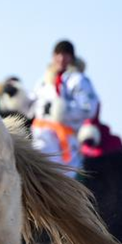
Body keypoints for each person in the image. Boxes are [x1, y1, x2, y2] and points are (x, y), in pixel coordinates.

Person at [30, 40, 99, 172]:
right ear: (53, 56)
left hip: (65, 141)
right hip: (40, 135)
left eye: (65, 55)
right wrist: (16, 96)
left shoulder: (78, 80)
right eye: (58, 54)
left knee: (61, 176)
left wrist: (61, 109)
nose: (61, 58)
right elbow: (31, 104)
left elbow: (89, 108)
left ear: (71, 58)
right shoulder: (44, 81)